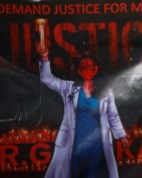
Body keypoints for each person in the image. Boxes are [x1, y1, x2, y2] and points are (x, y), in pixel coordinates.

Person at [36, 43, 128, 178]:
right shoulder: (70, 88)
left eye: (92, 66)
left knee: (94, 174)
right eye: (84, 67)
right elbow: (47, 79)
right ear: (78, 70)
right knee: (74, 173)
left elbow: (112, 115)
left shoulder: (106, 90)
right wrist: (44, 57)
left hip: (97, 144)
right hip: (75, 142)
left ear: (97, 68)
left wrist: (121, 135)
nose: (88, 70)